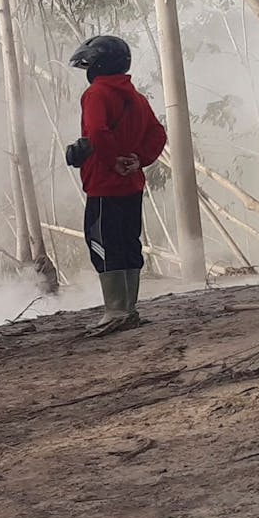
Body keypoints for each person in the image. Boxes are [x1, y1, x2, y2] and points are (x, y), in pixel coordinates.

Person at [66, 35, 167, 336]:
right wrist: (138, 159)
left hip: (104, 184)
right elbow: (158, 134)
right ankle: (129, 309)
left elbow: (96, 130)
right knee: (127, 242)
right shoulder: (136, 97)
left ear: (98, 65)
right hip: (132, 184)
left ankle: (115, 311)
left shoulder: (96, 93)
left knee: (103, 243)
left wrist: (113, 161)